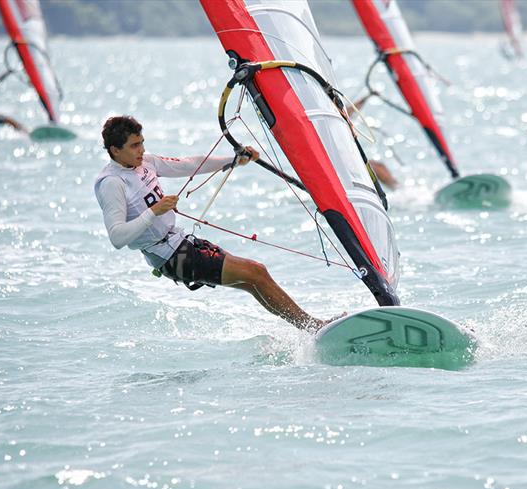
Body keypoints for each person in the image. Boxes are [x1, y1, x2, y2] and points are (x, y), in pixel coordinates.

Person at [94, 115, 333, 332]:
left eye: (142, 142)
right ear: (115, 150)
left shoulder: (146, 162)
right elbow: (117, 237)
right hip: (171, 257)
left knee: (252, 281)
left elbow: (189, 164)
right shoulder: (112, 183)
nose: (142, 150)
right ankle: (313, 327)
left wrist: (233, 160)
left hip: (182, 242)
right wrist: (154, 211)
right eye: (134, 146)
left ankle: (309, 327)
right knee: (256, 272)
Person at [346, 94, 399, 190]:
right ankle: (398, 190)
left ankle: (398, 188)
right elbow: (348, 111)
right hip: (344, 161)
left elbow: (350, 109)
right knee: (375, 168)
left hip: (349, 158)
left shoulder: (338, 113)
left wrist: (367, 96)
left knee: (379, 166)